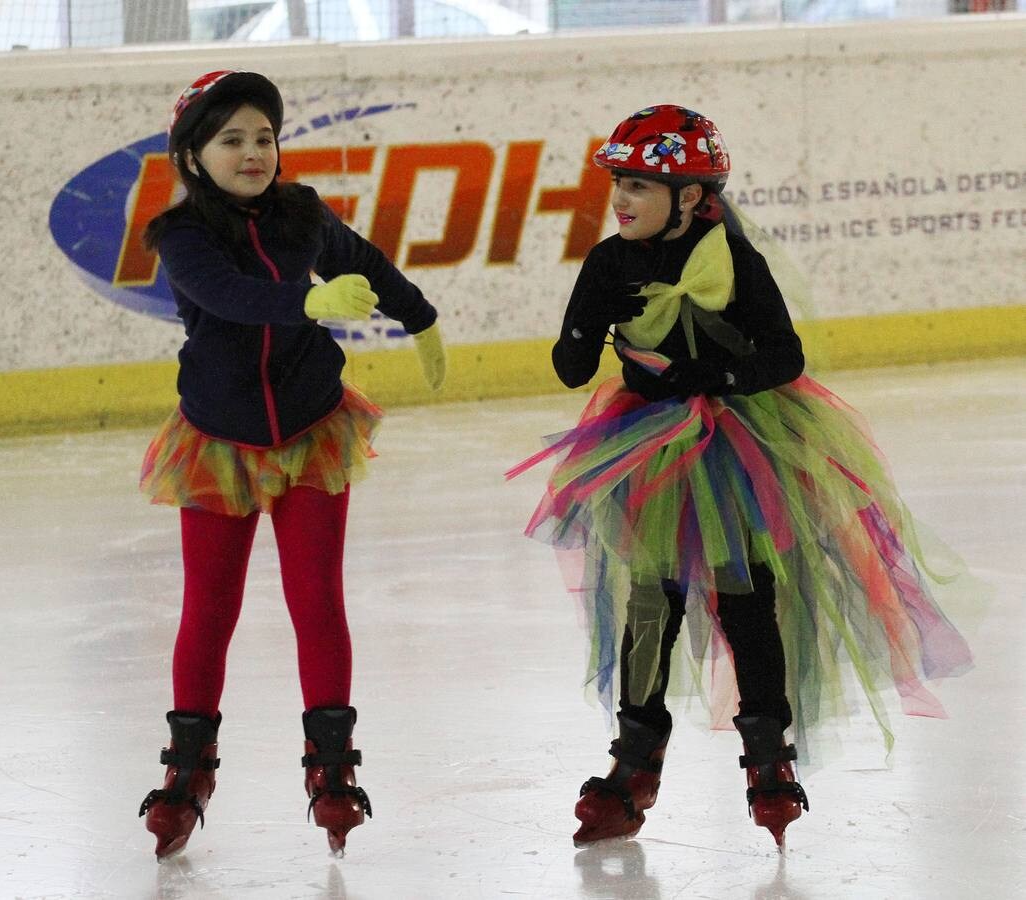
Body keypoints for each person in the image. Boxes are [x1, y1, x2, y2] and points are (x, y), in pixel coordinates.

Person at [506, 105, 973, 849]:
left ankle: (767, 755)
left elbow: (784, 354)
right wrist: (582, 330)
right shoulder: (607, 261)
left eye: (641, 186)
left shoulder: (733, 257)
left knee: (745, 599)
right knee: (649, 607)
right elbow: (570, 367)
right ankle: (634, 760)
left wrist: (717, 373)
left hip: (732, 441)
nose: (621, 200)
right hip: (646, 448)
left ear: (691, 197)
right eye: (618, 184)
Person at [135, 70, 446, 860]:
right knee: (211, 607)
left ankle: (333, 765)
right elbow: (227, 294)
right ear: (194, 155)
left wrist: (419, 315)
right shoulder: (182, 236)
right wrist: (306, 303)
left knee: (317, 598)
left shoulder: (302, 213)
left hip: (311, 426)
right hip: (220, 438)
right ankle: (186, 768)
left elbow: (364, 259)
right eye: (231, 138)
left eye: (265, 137)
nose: (252, 152)